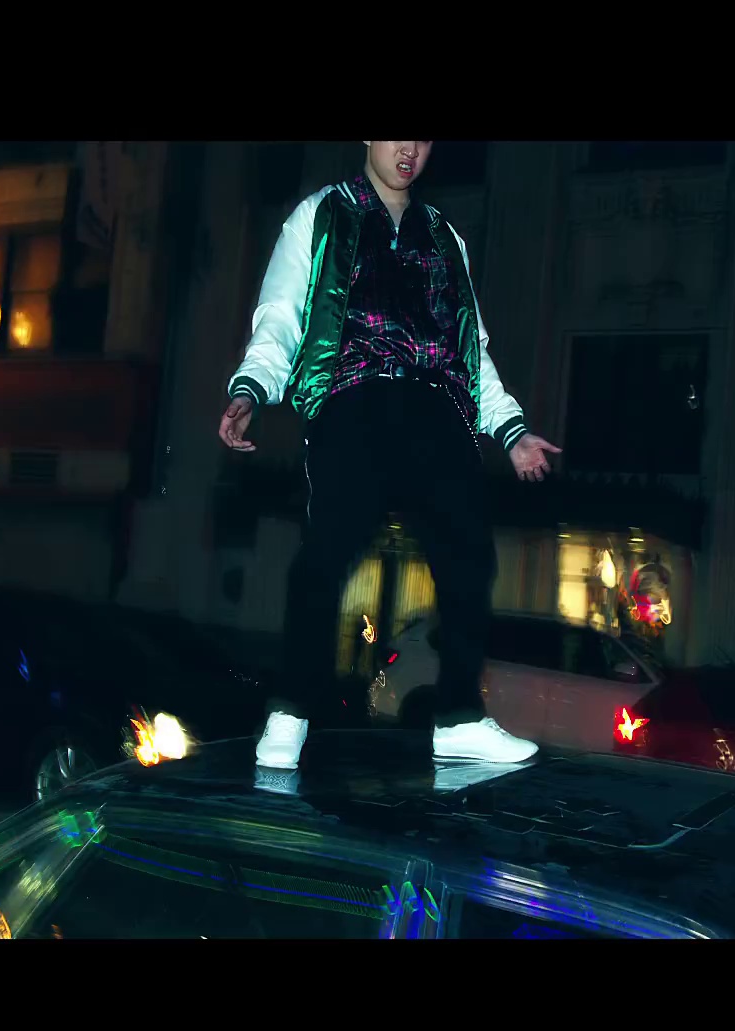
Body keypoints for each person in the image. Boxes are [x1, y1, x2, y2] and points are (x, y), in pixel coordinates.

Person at [219, 140, 562, 770]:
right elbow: (281, 314)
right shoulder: (322, 213)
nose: (410, 150)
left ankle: (458, 717)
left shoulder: (444, 235)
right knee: (329, 548)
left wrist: (510, 430)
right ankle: (291, 708)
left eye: (423, 139)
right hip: (354, 395)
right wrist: (251, 388)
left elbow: (471, 346)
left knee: (469, 553)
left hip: (437, 404)